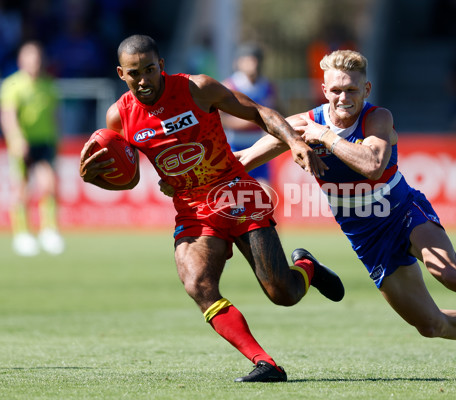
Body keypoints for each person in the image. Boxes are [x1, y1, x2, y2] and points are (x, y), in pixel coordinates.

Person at [235, 49, 456, 376]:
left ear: (366, 89)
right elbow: (244, 160)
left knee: (450, 271)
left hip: (403, 212)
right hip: (368, 240)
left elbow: (372, 164)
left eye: (351, 89)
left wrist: (324, 136)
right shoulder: (300, 125)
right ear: (324, 90)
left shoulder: (377, 118)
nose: (343, 98)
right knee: (430, 325)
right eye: (335, 90)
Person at [78, 34, 344, 383]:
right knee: (197, 284)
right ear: (120, 74)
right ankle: (266, 363)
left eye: (149, 69)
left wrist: (294, 141)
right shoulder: (119, 117)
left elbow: (258, 112)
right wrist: (99, 179)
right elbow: (128, 179)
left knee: (284, 294)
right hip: (192, 209)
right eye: (134, 73)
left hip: (236, 195)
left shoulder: (197, 89)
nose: (143, 80)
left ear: (162, 66)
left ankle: (307, 266)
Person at [0, 41, 64, 256]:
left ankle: (49, 230)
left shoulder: (48, 85)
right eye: (29, 58)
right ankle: (22, 233)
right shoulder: (12, 85)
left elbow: (55, 115)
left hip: (45, 142)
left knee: (49, 185)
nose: (34, 63)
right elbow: (8, 116)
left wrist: (58, 139)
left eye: (37, 59)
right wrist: (16, 139)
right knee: (22, 189)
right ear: (21, 61)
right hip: (23, 143)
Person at [221, 44, 278, 182]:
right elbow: (220, 119)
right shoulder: (229, 86)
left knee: (265, 188)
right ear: (238, 62)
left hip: (261, 143)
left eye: (255, 59)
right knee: (238, 189)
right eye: (248, 59)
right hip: (235, 144)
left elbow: (274, 112)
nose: (253, 64)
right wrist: (252, 120)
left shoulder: (267, 86)